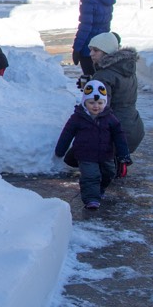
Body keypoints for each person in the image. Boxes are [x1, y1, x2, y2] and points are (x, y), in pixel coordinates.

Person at [54, 79, 132, 211]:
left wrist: (124, 154)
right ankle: (91, 199)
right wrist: (60, 150)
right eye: (92, 103)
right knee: (90, 176)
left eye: (100, 103)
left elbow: (119, 136)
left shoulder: (110, 118)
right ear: (85, 102)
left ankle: (99, 190)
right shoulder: (78, 117)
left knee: (108, 174)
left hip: (106, 154)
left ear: (105, 103)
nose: (96, 106)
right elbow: (67, 133)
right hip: (85, 155)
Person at [88, 31, 143, 177]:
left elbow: (99, 109)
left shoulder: (103, 75)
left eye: (96, 50)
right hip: (135, 128)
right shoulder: (126, 69)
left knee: (77, 153)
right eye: (90, 50)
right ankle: (119, 159)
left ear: (106, 52)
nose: (91, 54)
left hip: (117, 133)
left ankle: (109, 166)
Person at [72, 0, 116, 86]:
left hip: (89, 48)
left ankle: (91, 103)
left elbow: (85, 26)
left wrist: (77, 48)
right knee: (102, 81)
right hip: (103, 46)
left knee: (91, 83)